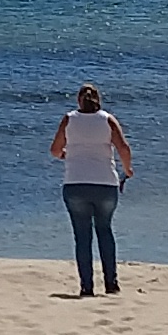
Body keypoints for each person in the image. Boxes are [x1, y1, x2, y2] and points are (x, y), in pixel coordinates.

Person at [52, 83, 133, 297]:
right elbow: (124, 148)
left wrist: (67, 156)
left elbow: (55, 150)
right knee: (105, 230)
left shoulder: (69, 120)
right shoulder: (107, 120)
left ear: (79, 100)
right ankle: (111, 283)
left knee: (82, 236)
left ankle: (86, 287)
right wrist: (128, 169)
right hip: (105, 183)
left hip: (75, 183)